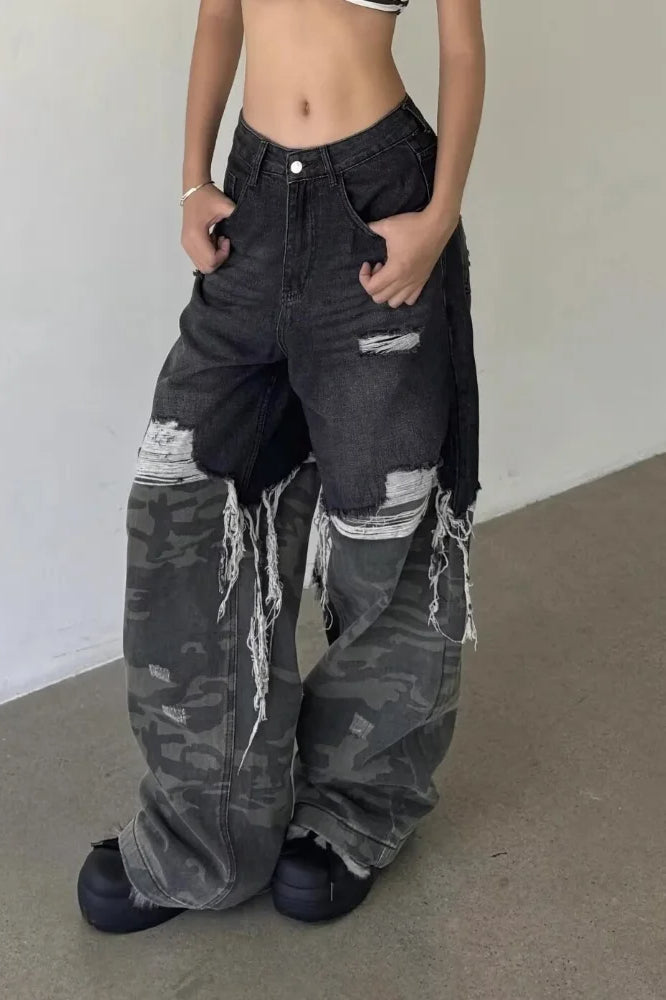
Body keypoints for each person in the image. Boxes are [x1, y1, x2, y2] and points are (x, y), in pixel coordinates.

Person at [77, 0, 485, 933]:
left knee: (383, 521)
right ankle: (203, 837)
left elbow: (463, 49)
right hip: (251, 203)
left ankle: (354, 811)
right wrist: (192, 180)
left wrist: (439, 216)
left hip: (381, 204)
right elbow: (219, 14)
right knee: (186, 506)